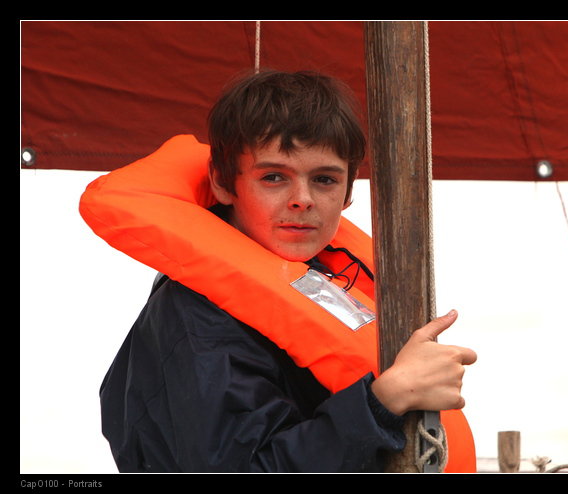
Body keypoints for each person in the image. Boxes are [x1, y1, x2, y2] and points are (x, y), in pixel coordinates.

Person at [80, 69, 477, 473]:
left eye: (324, 179)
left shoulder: (324, 285)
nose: (302, 199)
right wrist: (383, 402)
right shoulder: (196, 317)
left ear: (348, 192)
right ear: (222, 182)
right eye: (273, 177)